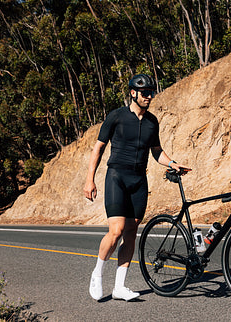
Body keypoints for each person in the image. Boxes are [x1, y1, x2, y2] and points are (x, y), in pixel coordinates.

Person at [83, 74, 189, 301]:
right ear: (133, 93)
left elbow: (157, 151)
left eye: (152, 92)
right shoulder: (116, 117)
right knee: (116, 231)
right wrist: (89, 179)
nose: (149, 96)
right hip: (117, 178)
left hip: (139, 181)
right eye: (145, 93)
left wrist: (172, 163)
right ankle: (97, 274)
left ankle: (119, 286)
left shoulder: (152, 121)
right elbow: (98, 148)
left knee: (131, 233)